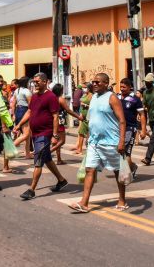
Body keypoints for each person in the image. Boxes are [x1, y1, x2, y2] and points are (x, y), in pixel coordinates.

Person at [68, 73, 127, 213]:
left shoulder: (112, 98)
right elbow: (91, 119)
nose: (94, 84)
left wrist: (122, 141)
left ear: (106, 83)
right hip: (95, 142)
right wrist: (88, 136)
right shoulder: (93, 97)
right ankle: (84, 203)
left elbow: (122, 120)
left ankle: (122, 200)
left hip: (111, 141)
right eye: (93, 82)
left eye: (97, 82)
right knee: (90, 170)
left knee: (117, 171)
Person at [14, 73, 68, 200]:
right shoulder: (34, 96)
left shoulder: (51, 97)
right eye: (34, 81)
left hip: (45, 134)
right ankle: (61, 180)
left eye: (37, 81)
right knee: (47, 159)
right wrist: (19, 124)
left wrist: (54, 135)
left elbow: (55, 116)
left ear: (45, 82)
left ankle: (31, 189)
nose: (35, 84)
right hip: (36, 133)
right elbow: (29, 111)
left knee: (38, 162)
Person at [118, 78, 146, 177]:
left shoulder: (135, 99)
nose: (122, 89)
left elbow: (142, 115)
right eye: (120, 86)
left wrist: (143, 130)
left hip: (130, 128)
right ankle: (132, 167)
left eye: (124, 87)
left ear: (130, 87)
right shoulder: (116, 97)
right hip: (117, 129)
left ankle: (130, 170)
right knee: (119, 152)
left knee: (126, 153)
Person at [50, 83, 82, 165]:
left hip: (51, 121)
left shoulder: (51, 98)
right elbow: (68, 110)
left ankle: (59, 159)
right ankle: (48, 152)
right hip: (59, 121)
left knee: (56, 142)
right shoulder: (60, 99)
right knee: (62, 141)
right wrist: (78, 117)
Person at [72, 82, 93, 155]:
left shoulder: (92, 96)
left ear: (89, 88)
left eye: (85, 87)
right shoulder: (84, 95)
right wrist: (80, 114)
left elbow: (93, 107)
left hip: (90, 118)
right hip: (83, 118)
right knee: (81, 132)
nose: (84, 89)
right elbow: (81, 105)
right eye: (83, 87)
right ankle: (79, 149)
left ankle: (89, 150)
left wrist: (86, 105)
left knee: (89, 134)